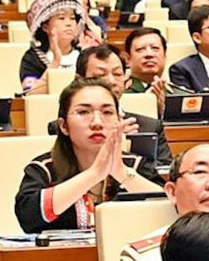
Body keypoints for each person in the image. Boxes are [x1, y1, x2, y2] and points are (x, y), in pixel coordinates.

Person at [16, 77, 162, 233]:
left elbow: (167, 212)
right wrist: (94, 174)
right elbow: (28, 218)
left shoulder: (136, 165)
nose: (97, 122)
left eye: (107, 112)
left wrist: (121, 172)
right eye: (83, 112)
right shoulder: (45, 169)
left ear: (119, 120)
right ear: (64, 126)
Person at [19, 0, 84, 91]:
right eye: (61, 18)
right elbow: (30, 94)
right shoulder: (32, 58)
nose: (69, 23)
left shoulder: (84, 57)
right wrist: (55, 61)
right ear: (45, 26)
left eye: (72, 18)